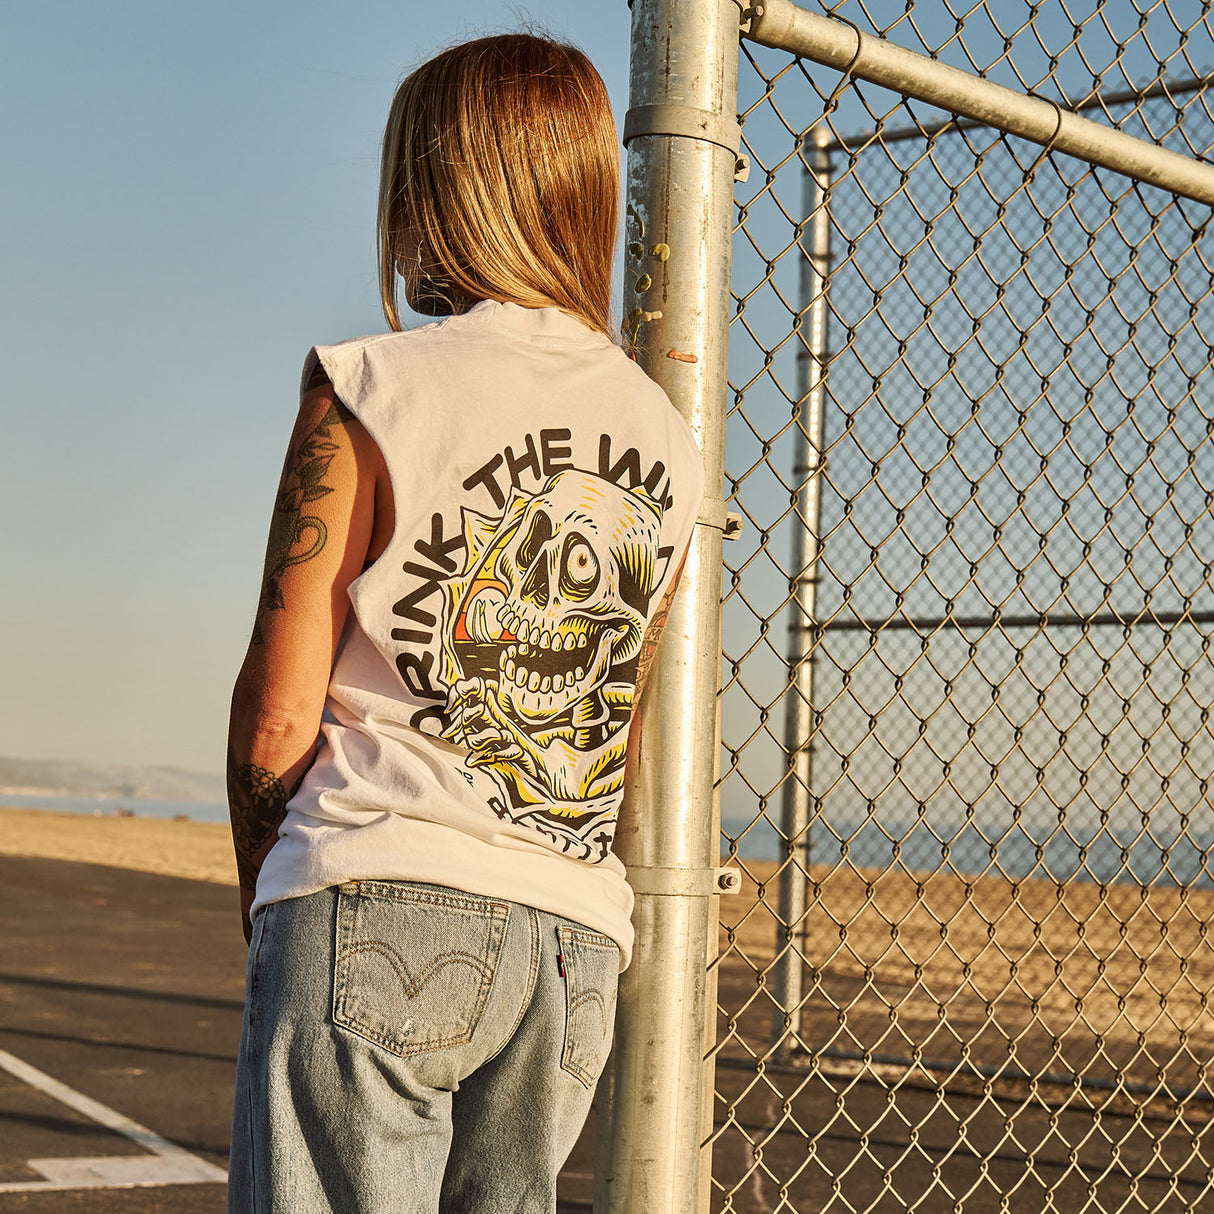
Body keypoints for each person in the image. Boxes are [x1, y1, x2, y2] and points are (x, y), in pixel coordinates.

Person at [225, 32, 705, 1214]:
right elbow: (616, 721)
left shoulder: (367, 384)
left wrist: (267, 893)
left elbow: (279, 713)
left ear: (425, 200)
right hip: (568, 939)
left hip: (373, 886)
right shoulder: (663, 437)